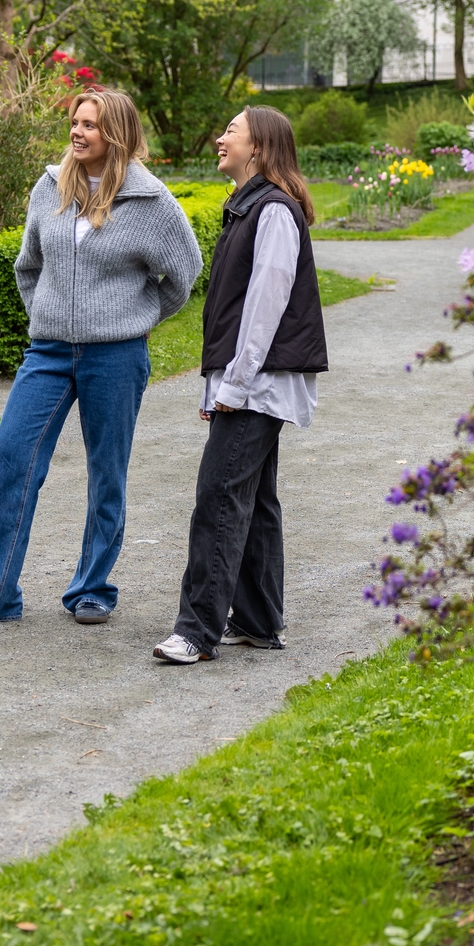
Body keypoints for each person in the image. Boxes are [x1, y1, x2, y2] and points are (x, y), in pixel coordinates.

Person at [0, 88, 201, 625]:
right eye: (75, 123)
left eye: (90, 125)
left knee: (107, 474)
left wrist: (136, 320)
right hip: (49, 353)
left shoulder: (151, 203)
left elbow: (185, 272)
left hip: (116, 358)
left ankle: (92, 588)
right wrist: (48, 315)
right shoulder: (49, 188)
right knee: (12, 458)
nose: (77, 133)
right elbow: (27, 266)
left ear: (117, 136)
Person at [156, 105, 327, 666]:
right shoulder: (249, 208)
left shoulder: (272, 211)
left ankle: (197, 630)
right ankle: (256, 620)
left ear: (259, 147)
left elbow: (266, 305)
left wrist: (233, 384)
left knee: (220, 498)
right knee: (255, 500)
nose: (220, 136)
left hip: (256, 385)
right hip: (252, 382)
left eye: (231, 129)